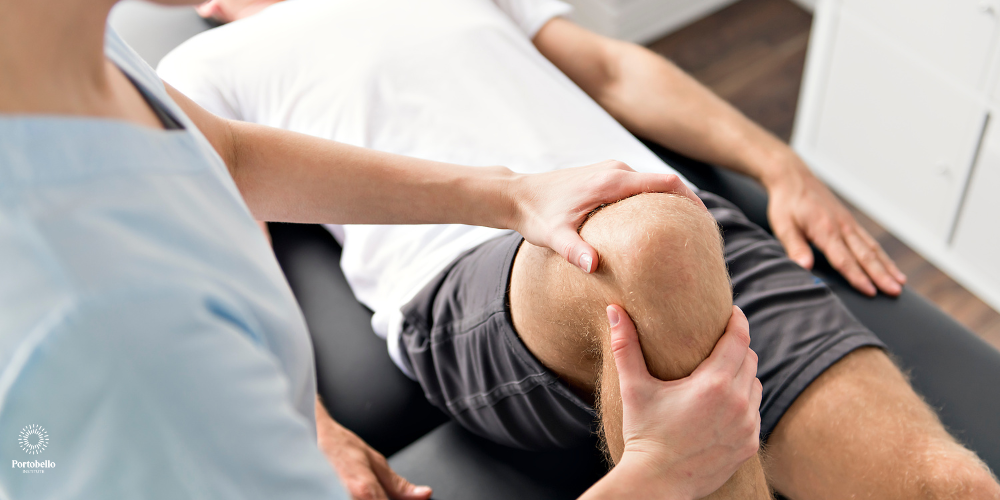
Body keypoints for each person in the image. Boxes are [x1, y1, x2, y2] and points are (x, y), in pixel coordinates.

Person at [159, 0, 1000, 498]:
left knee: (952, 486)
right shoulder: (204, 66)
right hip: (474, 284)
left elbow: (610, 69)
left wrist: (779, 162)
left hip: (686, 227)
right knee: (648, 237)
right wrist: (309, 424)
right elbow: (228, 240)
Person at [0, 0, 765, 499]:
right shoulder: (95, 322)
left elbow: (229, 155)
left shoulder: (75, 51)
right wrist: (659, 475)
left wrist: (507, 194)